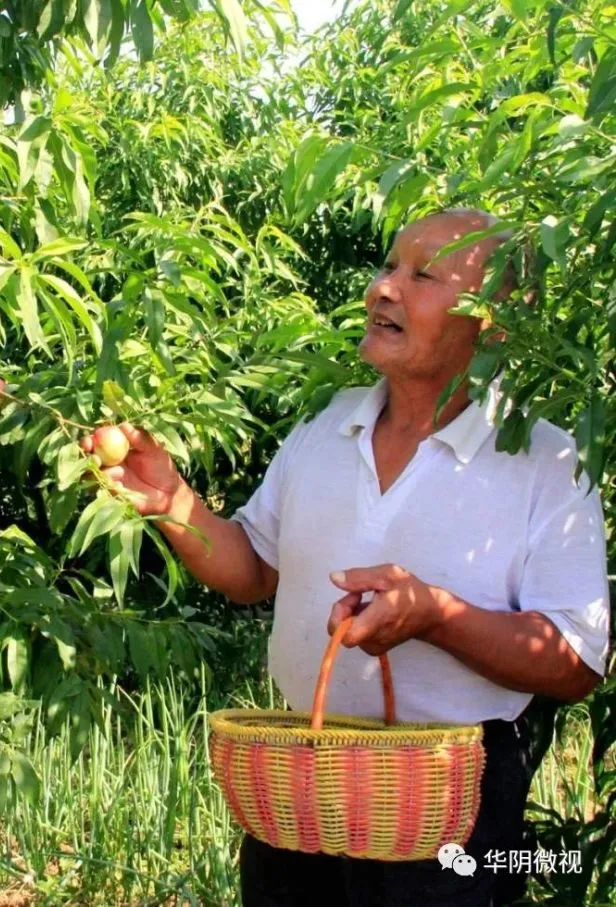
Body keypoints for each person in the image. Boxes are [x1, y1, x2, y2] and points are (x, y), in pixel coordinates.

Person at [99, 209, 610, 906]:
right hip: (301, 779)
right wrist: (176, 505)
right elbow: (254, 569)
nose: (384, 289)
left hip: (450, 798)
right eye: (389, 266)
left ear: (491, 322)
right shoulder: (326, 425)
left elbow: (574, 660)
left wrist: (437, 616)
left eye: (423, 275)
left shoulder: (543, 459)